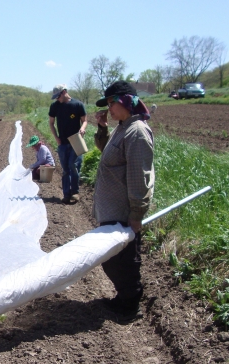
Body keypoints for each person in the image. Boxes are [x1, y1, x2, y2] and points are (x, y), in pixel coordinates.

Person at [93, 81, 154, 323]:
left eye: (110, 104)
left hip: (123, 211)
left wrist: (137, 212)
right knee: (112, 260)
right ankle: (123, 297)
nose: (108, 109)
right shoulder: (122, 127)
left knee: (124, 260)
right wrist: (101, 128)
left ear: (125, 101)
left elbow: (141, 176)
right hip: (110, 211)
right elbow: (105, 151)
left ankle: (130, 303)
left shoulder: (137, 131)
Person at [48, 84, 87, 204]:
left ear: (64, 92)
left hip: (75, 141)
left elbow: (84, 120)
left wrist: (83, 128)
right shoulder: (55, 106)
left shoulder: (77, 105)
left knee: (73, 166)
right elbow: (51, 123)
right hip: (63, 142)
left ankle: (75, 192)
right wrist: (56, 138)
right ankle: (66, 194)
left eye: (58, 96)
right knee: (65, 169)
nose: (57, 99)